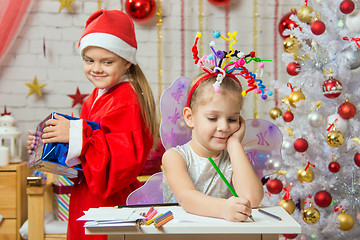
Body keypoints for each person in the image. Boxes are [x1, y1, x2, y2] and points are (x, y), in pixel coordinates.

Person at [27, 10, 158, 239]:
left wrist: (76, 133)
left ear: (127, 61)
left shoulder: (127, 99)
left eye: (107, 62)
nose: (96, 68)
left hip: (107, 202)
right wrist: (47, 144)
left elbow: (122, 159)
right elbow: (83, 160)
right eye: (89, 60)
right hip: (86, 197)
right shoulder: (95, 97)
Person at [162, 31, 265, 222]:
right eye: (212, 118)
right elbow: (187, 198)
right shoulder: (175, 157)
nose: (224, 127)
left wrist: (234, 145)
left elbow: (253, 199)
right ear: (190, 117)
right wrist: (224, 208)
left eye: (232, 119)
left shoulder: (233, 158)